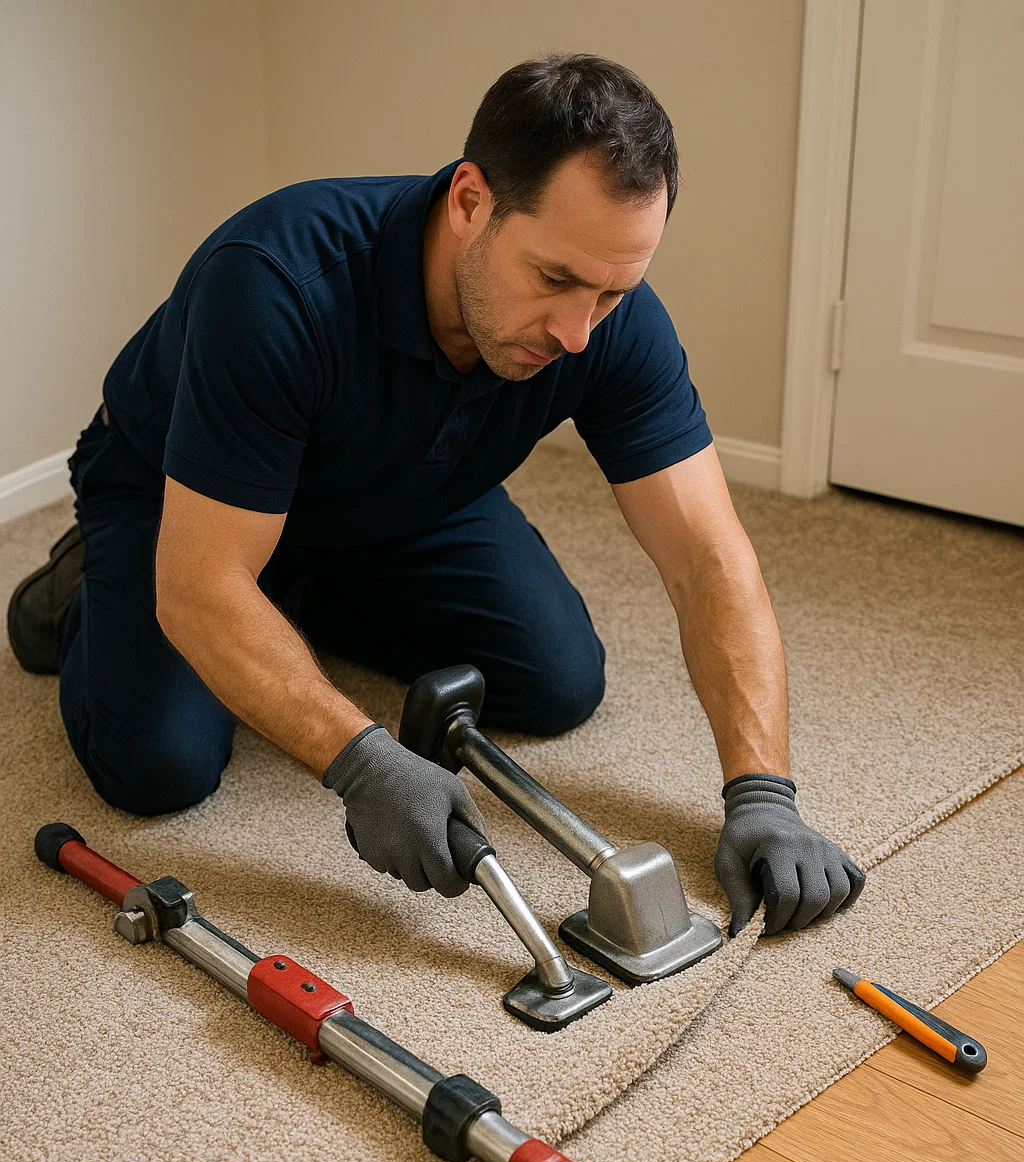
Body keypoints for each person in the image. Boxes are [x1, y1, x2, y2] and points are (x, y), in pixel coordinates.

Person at [8, 54, 864, 936]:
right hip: (179, 491)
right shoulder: (275, 283)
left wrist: (763, 794)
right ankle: (90, 585)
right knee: (158, 767)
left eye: (613, 291)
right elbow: (198, 587)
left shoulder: (607, 323)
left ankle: (288, 592)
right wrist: (361, 760)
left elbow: (707, 557)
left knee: (558, 682)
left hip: (398, 489)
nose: (578, 332)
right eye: (555, 279)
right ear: (469, 202)